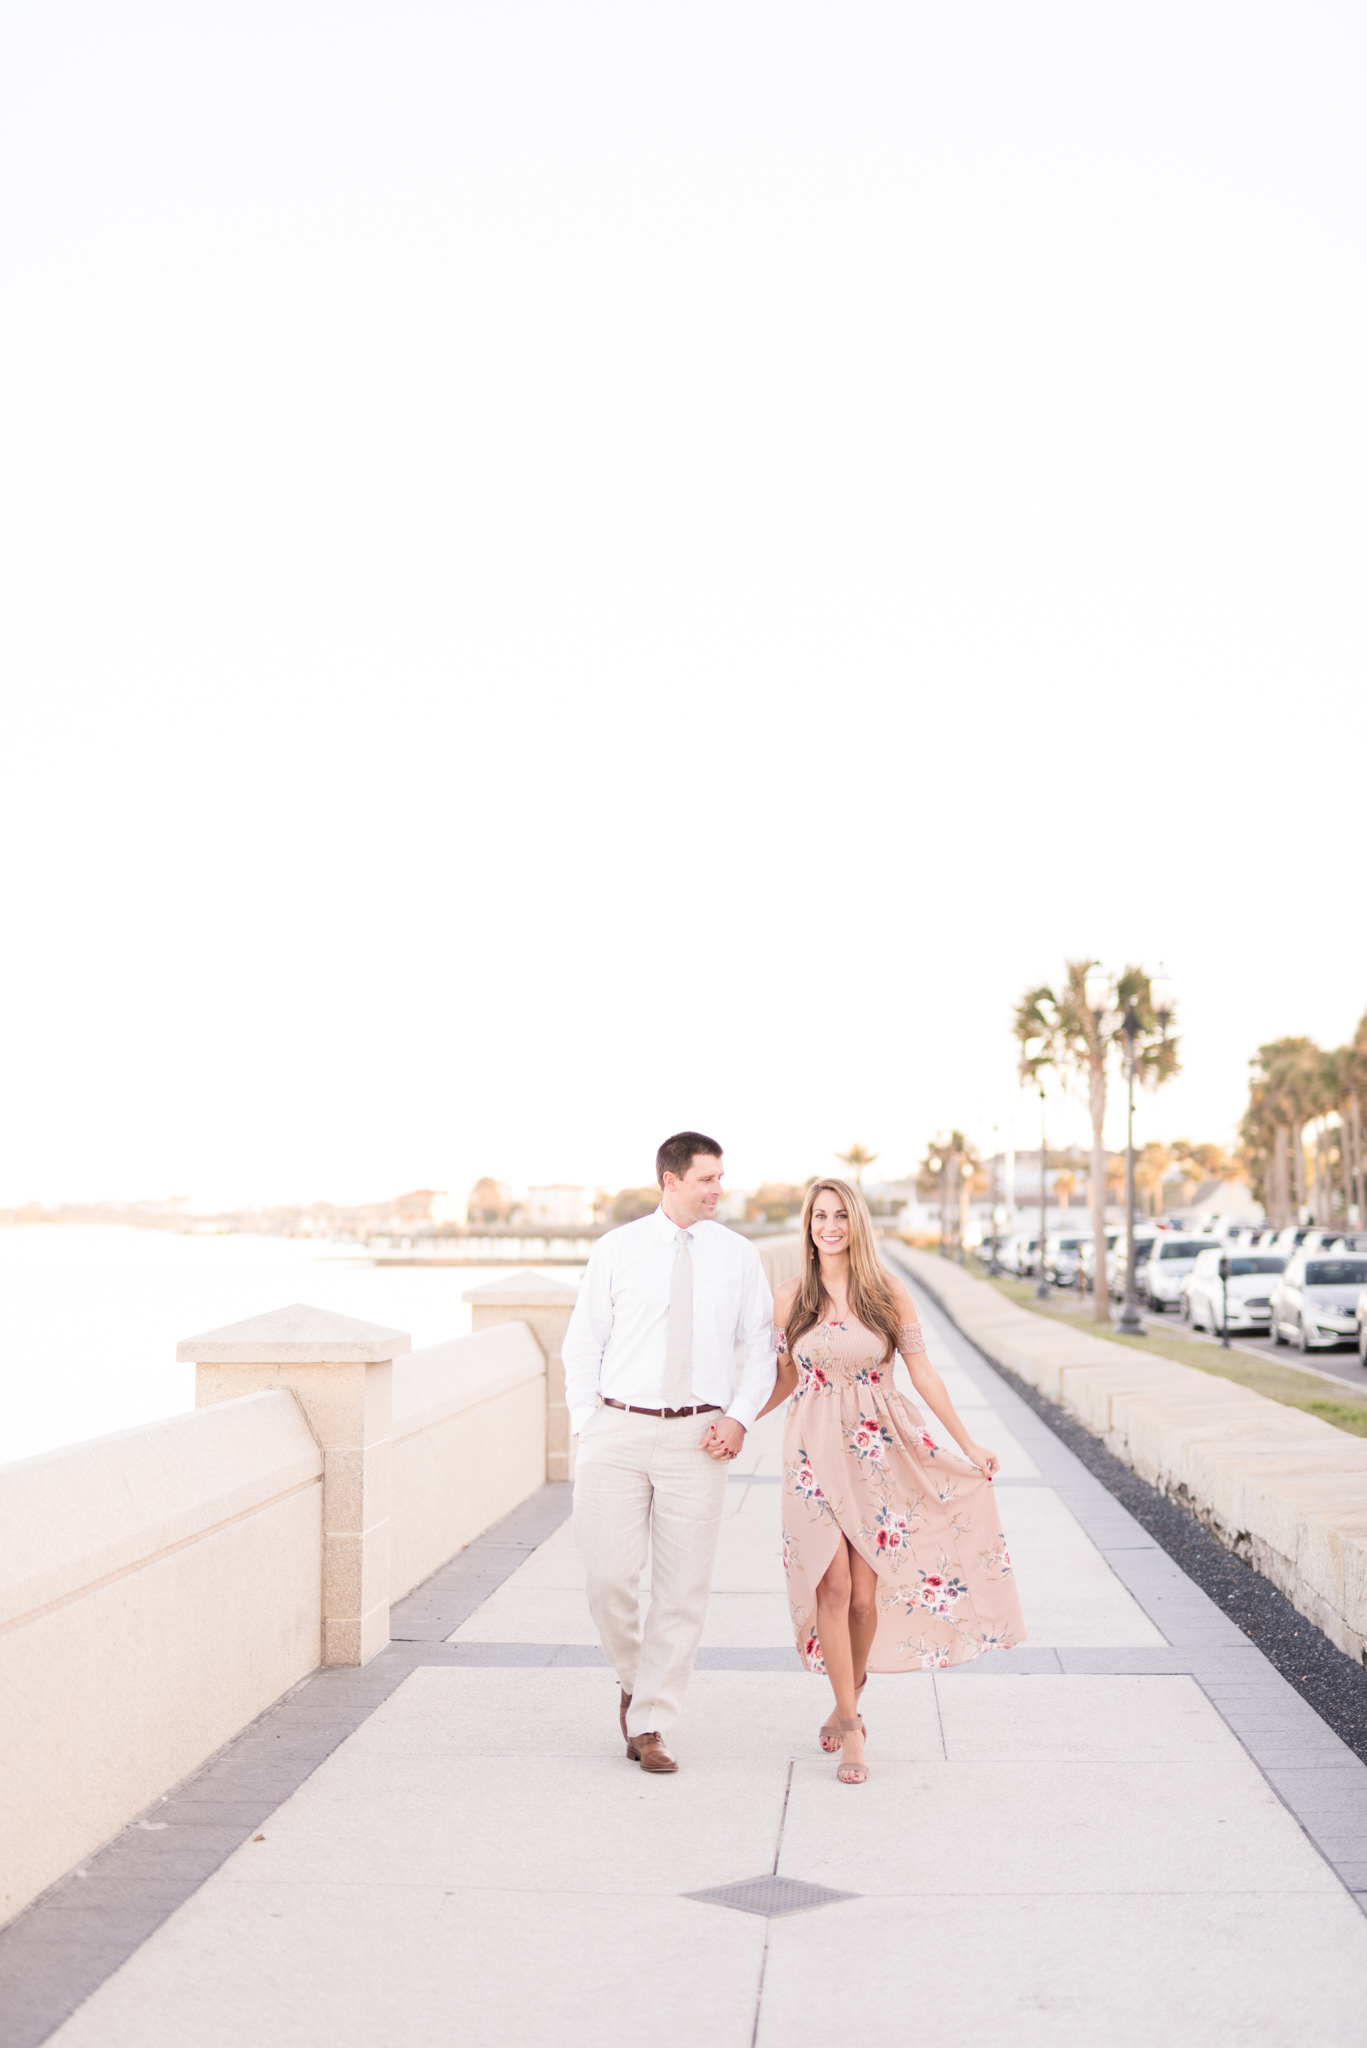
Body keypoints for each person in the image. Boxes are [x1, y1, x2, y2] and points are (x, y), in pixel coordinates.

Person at [757, 1178, 1025, 1785]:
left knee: (861, 1597)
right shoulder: (790, 1297)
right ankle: (852, 1728)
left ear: (858, 1224)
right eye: (819, 1216)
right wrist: (737, 1423)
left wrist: (968, 1443)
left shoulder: (886, 1292)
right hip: (810, 1454)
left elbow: (924, 1374)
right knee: (830, 1587)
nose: (830, 1226)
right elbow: (781, 1379)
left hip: (878, 1450)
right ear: (808, 1224)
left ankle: (846, 1695)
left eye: (840, 1216)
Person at [564, 1131, 777, 1774]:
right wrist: (587, 1427)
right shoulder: (617, 1249)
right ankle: (635, 1679)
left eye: (721, 1177)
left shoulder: (738, 1257)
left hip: (699, 1437)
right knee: (608, 1580)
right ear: (671, 1180)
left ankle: (651, 1721)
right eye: (707, 1179)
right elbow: (582, 1345)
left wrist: (739, 1419)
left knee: (682, 1591)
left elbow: (762, 1349)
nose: (719, 1189)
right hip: (617, 1431)